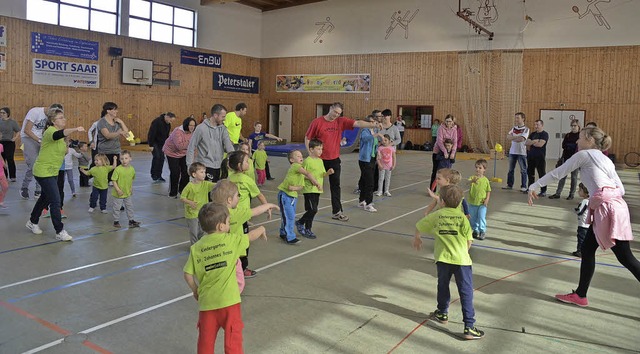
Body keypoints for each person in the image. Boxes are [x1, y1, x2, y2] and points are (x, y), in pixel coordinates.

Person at [528, 126, 640, 307]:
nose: (577, 141)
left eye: (580, 138)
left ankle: (581, 294)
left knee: (626, 258)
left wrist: (534, 185)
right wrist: (600, 196)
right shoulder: (605, 159)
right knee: (587, 250)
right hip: (614, 208)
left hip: (608, 210)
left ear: (589, 139)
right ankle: (580, 295)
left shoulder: (584, 155)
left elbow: (558, 173)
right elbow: (622, 189)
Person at [183, 203, 267, 354]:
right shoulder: (231, 241)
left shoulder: (196, 248)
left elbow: (187, 274)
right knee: (233, 339)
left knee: (205, 342)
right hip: (230, 303)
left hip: (207, 303)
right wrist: (261, 229)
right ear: (221, 226)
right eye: (228, 221)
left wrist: (195, 291)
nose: (229, 224)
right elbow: (250, 236)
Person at [413, 184, 485, 340]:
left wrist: (417, 238)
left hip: (443, 259)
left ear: (442, 202)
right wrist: (462, 253)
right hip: (462, 261)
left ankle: (442, 312)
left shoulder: (437, 215)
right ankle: (469, 327)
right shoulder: (462, 218)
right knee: (465, 292)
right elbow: (469, 241)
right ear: (459, 202)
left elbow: (420, 225)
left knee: (443, 285)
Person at [305, 102, 380, 222]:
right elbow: (308, 138)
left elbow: (358, 123)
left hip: (334, 159)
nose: (336, 115)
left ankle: (337, 212)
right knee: (314, 186)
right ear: (330, 109)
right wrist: (310, 154)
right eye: (335, 112)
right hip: (319, 160)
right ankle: (310, 212)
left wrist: (372, 124)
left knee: (336, 186)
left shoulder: (341, 121)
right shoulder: (317, 122)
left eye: (339, 113)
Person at [25, 107, 84, 241]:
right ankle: (59, 231)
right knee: (55, 201)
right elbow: (58, 135)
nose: (64, 119)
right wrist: (75, 129)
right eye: (61, 118)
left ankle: (32, 222)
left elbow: (64, 152)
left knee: (44, 198)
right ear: (53, 121)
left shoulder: (61, 136)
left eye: (64, 117)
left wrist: (67, 143)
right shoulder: (49, 131)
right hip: (43, 171)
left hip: (53, 170)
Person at [210, 180, 278, 288]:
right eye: (238, 195)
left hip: (216, 253)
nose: (239, 197)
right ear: (229, 200)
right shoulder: (235, 213)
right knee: (236, 279)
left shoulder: (211, 213)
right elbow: (255, 211)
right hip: (233, 251)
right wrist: (269, 205)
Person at [228, 151, 271, 277]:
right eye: (247, 161)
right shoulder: (247, 180)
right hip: (242, 217)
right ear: (240, 165)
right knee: (244, 243)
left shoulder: (229, 178)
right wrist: (267, 207)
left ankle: (232, 266)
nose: (249, 163)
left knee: (232, 242)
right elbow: (259, 195)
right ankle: (243, 268)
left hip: (230, 217)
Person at [20, 103, 64, 200]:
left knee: (43, 163)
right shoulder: (35, 112)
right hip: (28, 138)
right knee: (33, 164)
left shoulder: (50, 118)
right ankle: (24, 187)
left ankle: (39, 189)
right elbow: (27, 130)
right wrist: (39, 140)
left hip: (41, 138)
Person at [278, 150, 321, 244]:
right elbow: (308, 174)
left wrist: (294, 187)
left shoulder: (300, 173)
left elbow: (301, 186)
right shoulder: (295, 166)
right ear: (292, 160)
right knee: (289, 217)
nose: (301, 157)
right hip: (285, 195)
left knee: (288, 216)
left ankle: (283, 232)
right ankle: (290, 237)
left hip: (293, 197)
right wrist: (315, 182)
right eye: (298, 156)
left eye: (301, 156)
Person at [186, 104, 234, 183]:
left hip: (219, 166)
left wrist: (235, 161)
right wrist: (189, 166)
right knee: (205, 193)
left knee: (215, 193)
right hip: (205, 166)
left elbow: (229, 147)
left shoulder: (223, 129)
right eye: (223, 117)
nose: (224, 119)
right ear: (215, 115)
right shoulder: (201, 128)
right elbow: (191, 148)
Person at [297, 139, 334, 238]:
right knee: (312, 209)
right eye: (318, 149)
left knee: (314, 210)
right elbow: (302, 175)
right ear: (311, 149)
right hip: (309, 189)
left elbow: (322, 174)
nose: (320, 151)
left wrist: (328, 173)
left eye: (321, 149)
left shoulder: (320, 161)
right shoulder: (307, 161)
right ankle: (304, 226)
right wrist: (311, 179)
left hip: (317, 189)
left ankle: (303, 225)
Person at [180, 162, 216, 245]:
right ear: (194, 174)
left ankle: (200, 245)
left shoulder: (206, 184)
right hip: (192, 213)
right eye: (201, 172)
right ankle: (194, 247)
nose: (204, 174)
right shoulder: (190, 186)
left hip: (202, 213)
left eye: (205, 172)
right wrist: (190, 202)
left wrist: (223, 183)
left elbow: (215, 185)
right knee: (194, 232)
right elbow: (182, 197)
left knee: (202, 230)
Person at [163, 117, 196, 198]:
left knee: (186, 171)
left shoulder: (194, 133)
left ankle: (182, 190)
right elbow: (180, 146)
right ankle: (172, 192)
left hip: (184, 154)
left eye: (194, 125)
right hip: (171, 153)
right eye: (190, 125)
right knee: (175, 172)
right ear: (186, 125)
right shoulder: (177, 132)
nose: (192, 127)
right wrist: (191, 143)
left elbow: (195, 146)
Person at [96, 102, 129, 181]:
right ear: (108, 111)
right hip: (105, 151)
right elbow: (107, 135)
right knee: (105, 175)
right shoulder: (102, 122)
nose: (116, 111)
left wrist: (121, 122)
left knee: (116, 173)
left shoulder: (116, 122)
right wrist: (118, 133)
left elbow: (127, 133)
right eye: (114, 110)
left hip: (116, 150)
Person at [549, 120, 581, 200]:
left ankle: (571, 194)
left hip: (576, 160)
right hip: (566, 158)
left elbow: (578, 147)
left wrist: (571, 145)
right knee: (562, 176)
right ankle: (558, 193)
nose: (573, 127)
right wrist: (573, 145)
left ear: (578, 126)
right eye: (572, 125)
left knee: (574, 177)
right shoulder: (568, 135)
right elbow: (564, 145)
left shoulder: (580, 136)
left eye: (575, 125)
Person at [111, 150, 140, 228]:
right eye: (122, 159)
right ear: (120, 160)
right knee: (117, 208)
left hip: (127, 193)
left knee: (129, 207)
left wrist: (131, 188)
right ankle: (116, 221)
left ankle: (131, 221)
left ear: (130, 158)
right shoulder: (118, 169)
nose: (124, 160)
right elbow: (113, 180)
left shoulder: (132, 169)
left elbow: (131, 179)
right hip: (118, 194)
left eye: (126, 158)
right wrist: (118, 190)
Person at [357, 115, 380, 212]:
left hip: (372, 158)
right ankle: (369, 203)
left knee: (364, 180)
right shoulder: (365, 132)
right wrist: (377, 135)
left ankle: (362, 200)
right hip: (364, 159)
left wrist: (377, 153)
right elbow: (367, 139)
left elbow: (375, 144)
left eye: (373, 122)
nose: (373, 123)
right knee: (370, 182)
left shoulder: (374, 131)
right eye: (371, 122)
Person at [502, 112, 529, 192]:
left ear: (523, 119)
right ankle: (509, 185)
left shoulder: (526, 129)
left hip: (521, 153)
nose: (516, 119)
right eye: (516, 118)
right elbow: (508, 137)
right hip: (512, 152)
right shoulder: (514, 128)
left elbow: (522, 139)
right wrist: (517, 137)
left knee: (523, 170)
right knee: (511, 169)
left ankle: (523, 186)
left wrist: (513, 137)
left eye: (518, 118)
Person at [429, 115, 457, 191]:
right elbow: (439, 141)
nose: (448, 123)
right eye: (447, 121)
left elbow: (455, 142)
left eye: (450, 121)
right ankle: (432, 190)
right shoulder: (441, 128)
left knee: (448, 172)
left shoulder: (454, 129)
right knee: (436, 171)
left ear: (452, 122)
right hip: (439, 151)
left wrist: (453, 153)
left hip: (449, 151)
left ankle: (446, 189)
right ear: (445, 121)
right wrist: (444, 151)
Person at [148, 112, 176, 182]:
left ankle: (159, 175)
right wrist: (151, 145)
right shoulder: (156, 121)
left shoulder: (168, 124)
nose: (171, 122)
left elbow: (166, 136)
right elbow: (151, 133)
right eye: (170, 120)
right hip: (154, 142)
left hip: (162, 144)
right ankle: (154, 175)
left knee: (162, 158)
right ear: (167, 117)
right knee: (157, 157)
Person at [468, 159, 491, 240]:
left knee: (481, 217)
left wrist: (487, 199)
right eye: (476, 167)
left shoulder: (486, 180)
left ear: (484, 169)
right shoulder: (472, 178)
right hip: (472, 203)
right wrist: (472, 181)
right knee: (473, 218)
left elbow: (488, 191)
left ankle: (482, 231)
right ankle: (475, 230)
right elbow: (468, 183)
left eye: (480, 168)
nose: (478, 169)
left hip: (482, 203)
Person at [526, 119, 549, 196]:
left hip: (540, 158)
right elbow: (527, 143)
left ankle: (543, 191)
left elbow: (540, 145)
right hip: (531, 157)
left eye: (537, 125)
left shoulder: (544, 134)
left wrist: (533, 142)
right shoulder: (532, 134)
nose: (536, 126)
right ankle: (530, 188)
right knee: (530, 174)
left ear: (542, 125)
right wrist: (535, 141)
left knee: (541, 174)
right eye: (535, 125)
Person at [0, 107, 20, 181]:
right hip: (1, 142)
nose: (2, 114)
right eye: (1, 113)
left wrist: (15, 138)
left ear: (7, 114)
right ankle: (4, 176)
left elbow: (18, 131)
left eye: (3, 113)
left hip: (9, 142)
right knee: (2, 159)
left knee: (10, 159)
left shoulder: (12, 122)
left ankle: (12, 176)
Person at [573, 183, 590, 258]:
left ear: (586, 192)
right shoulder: (590, 200)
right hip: (588, 224)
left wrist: (575, 210)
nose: (578, 191)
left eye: (580, 190)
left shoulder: (584, 201)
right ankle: (584, 251)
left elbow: (580, 211)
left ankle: (580, 251)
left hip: (583, 224)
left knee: (581, 238)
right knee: (585, 238)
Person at [0, 144, 7, 208]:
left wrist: (3, 162)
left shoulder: (1, 146)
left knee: (5, 186)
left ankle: (1, 200)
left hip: (1, 171)